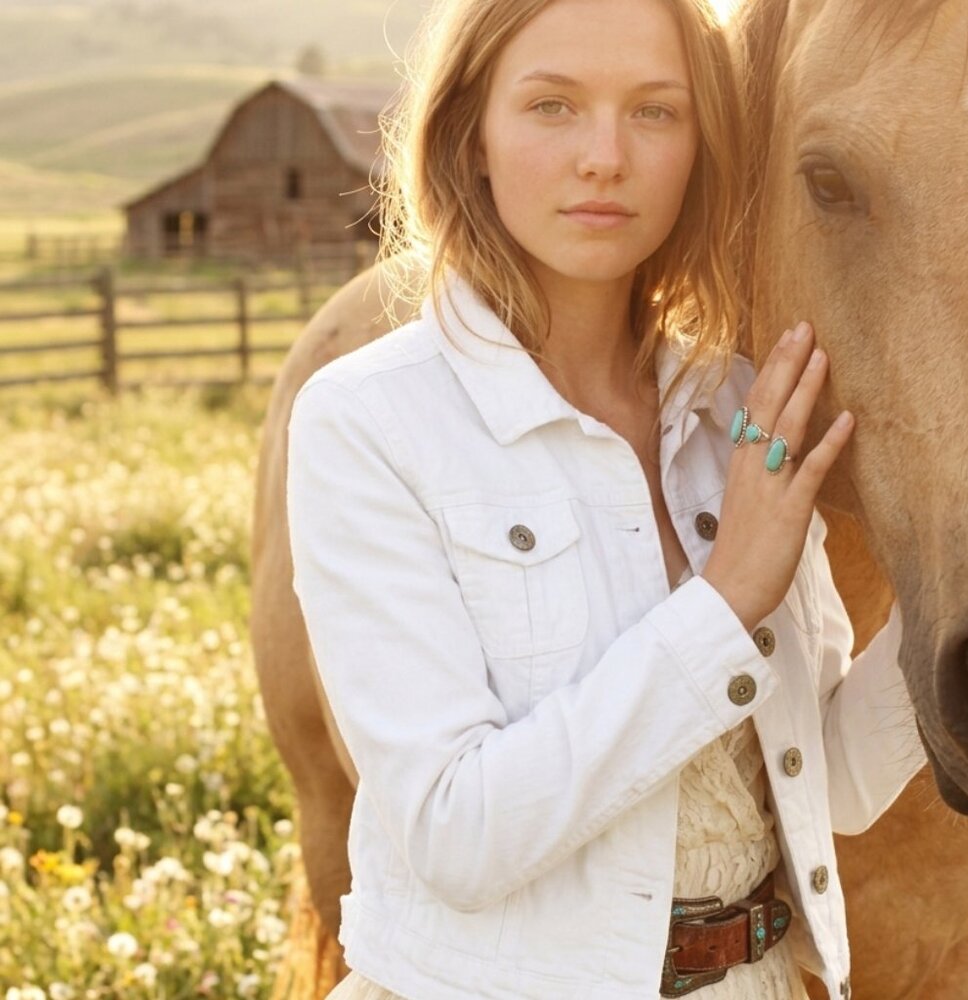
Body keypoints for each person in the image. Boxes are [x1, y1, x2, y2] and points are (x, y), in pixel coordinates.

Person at [286, 0, 925, 998]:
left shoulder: (733, 406)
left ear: (700, 147)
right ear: (471, 137)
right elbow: (457, 832)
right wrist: (723, 604)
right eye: (551, 106)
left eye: (655, 112)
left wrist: (956, 594)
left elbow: (829, 785)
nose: (604, 157)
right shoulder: (367, 422)